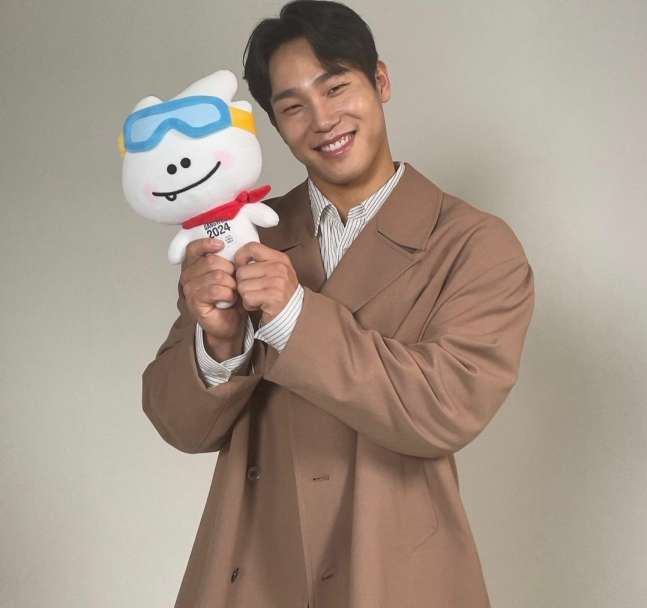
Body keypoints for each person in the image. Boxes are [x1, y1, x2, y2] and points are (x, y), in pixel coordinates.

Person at [141, 1, 535, 607]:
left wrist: (294, 317)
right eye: (293, 106)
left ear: (381, 81)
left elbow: (445, 407)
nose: (322, 120)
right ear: (275, 125)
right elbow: (180, 426)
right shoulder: (247, 238)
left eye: (336, 87)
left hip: (392, 573)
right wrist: (217, 343)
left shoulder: (474, 244)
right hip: (255, 568)